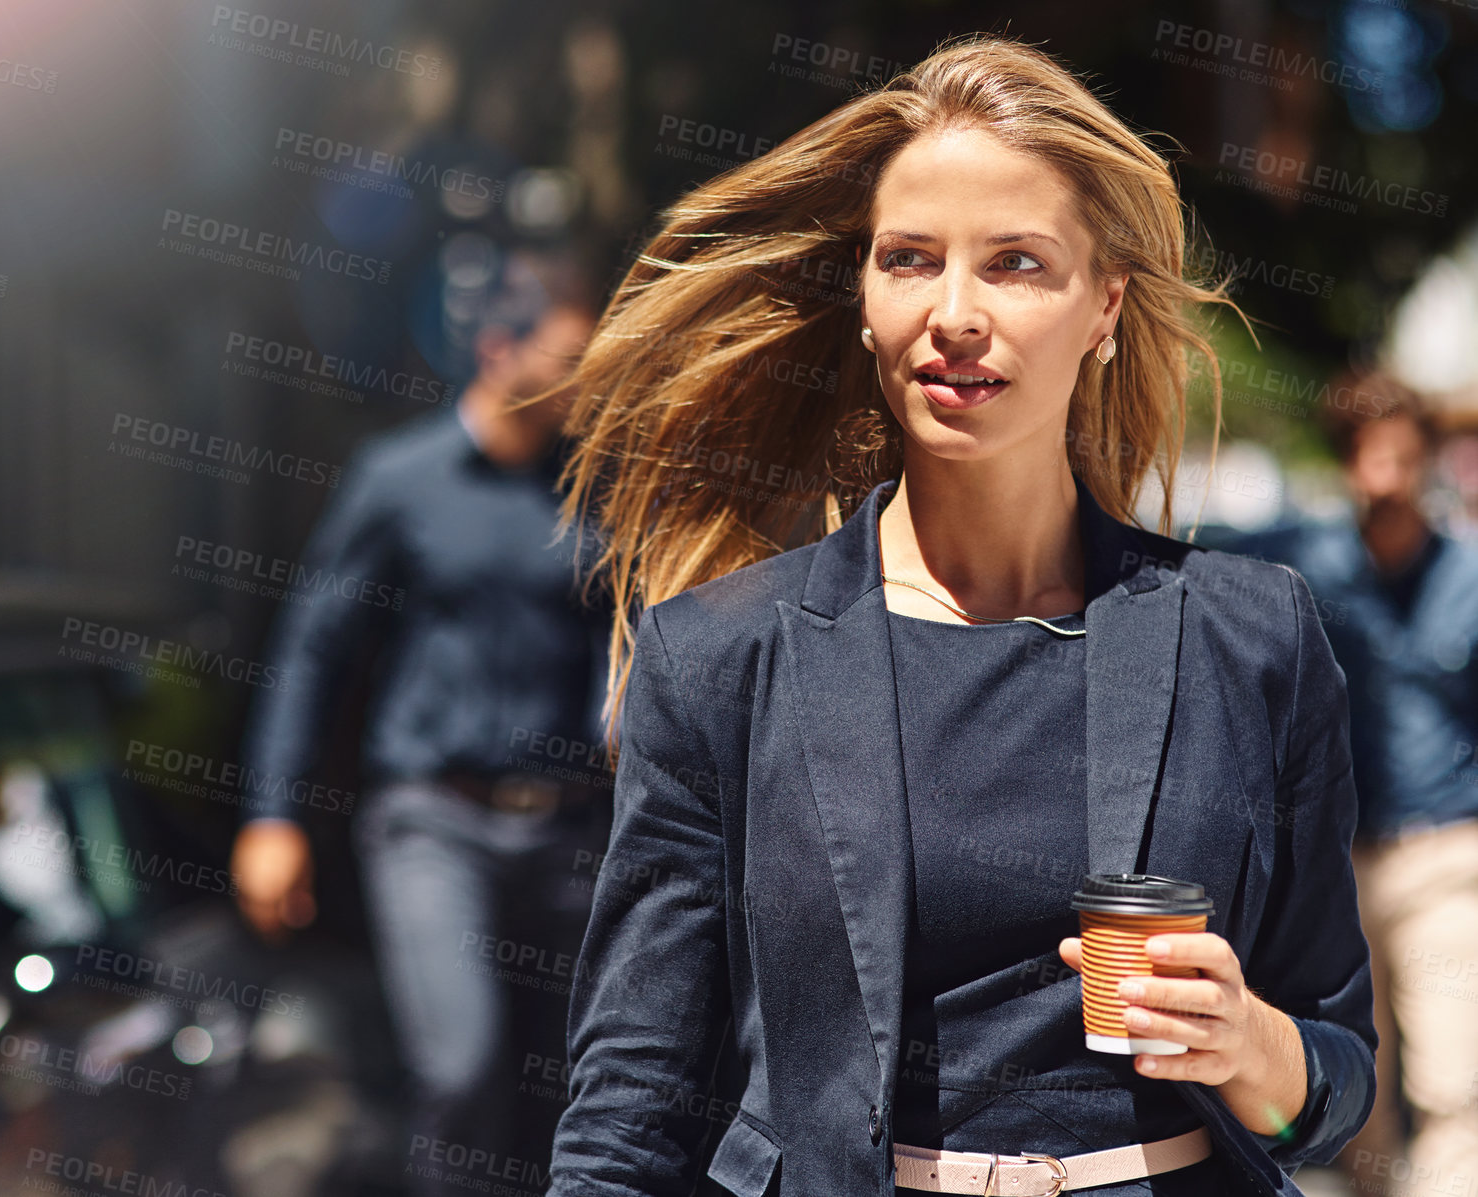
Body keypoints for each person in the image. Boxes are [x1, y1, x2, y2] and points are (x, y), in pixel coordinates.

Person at [546, 33, 1374, 1197]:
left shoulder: (1253, 635)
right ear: (868, 300)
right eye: (910, 259)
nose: (956, 312)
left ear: (1105, 308)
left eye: (1018, 264)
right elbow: (633, 1101)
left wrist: (1253, 1048)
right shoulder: (721, 659)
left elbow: (1334, 1079)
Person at [230, 247, 615, 1197]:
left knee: (580, 1086)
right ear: (497, 347)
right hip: (434, 822)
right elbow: (314, 650)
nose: (584, 384)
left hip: (570, 831)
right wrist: (273, 816)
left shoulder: (597, 486)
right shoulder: (401, 478)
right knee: (462, 1064)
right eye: (569, 360)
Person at [1204, 371, 1478, 1197]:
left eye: (1400, 455)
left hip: (1446, 854)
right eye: (1367, 456)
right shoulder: (1305, 557)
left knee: (1448, 1078)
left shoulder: (1469, 574)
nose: (1384, 476)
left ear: (1426, 459)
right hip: (1342, 860)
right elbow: (1185, 562)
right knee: (1362, 1085)